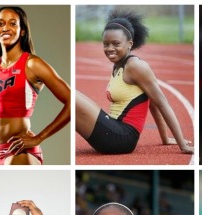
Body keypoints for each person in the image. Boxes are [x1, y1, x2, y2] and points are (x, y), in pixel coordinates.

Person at [75, 10, 193, 156]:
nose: (110, 49)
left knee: (70, 96)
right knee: (70, 97)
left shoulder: (136, 66)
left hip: (121, 138)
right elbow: (153, 104)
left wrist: (182, 144)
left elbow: (161, 102)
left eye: (116, 44)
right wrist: (165, 138)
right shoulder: (118, 64)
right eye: (106, 44)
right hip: (112, 130)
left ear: (129, 44)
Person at [0, 6, 70, 165]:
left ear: (22, 30)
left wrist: (40, 138)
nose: (5, 28)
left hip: (19, 151)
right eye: (0, 23)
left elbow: (71, 100)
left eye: (13, 23)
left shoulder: (32, 64)